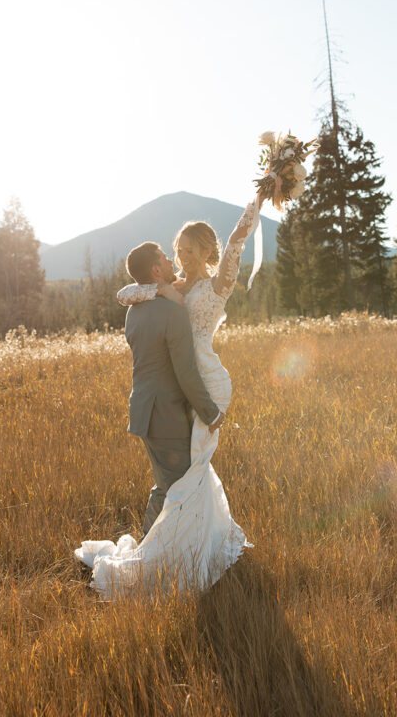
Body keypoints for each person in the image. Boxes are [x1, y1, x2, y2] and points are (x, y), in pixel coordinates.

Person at [75, 199, 258, 598]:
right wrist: (159, 287)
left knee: (186, 476)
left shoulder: (212, 287)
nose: (182, 257)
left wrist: (260, 198)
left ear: (205, 252)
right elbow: (127, 291)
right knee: (187, 479)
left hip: (201, 384)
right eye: (177, 251)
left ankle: (177, 547)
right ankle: (173, 553)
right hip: (180, 393)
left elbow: (236, 244)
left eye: (189, 251)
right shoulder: (168, 292)